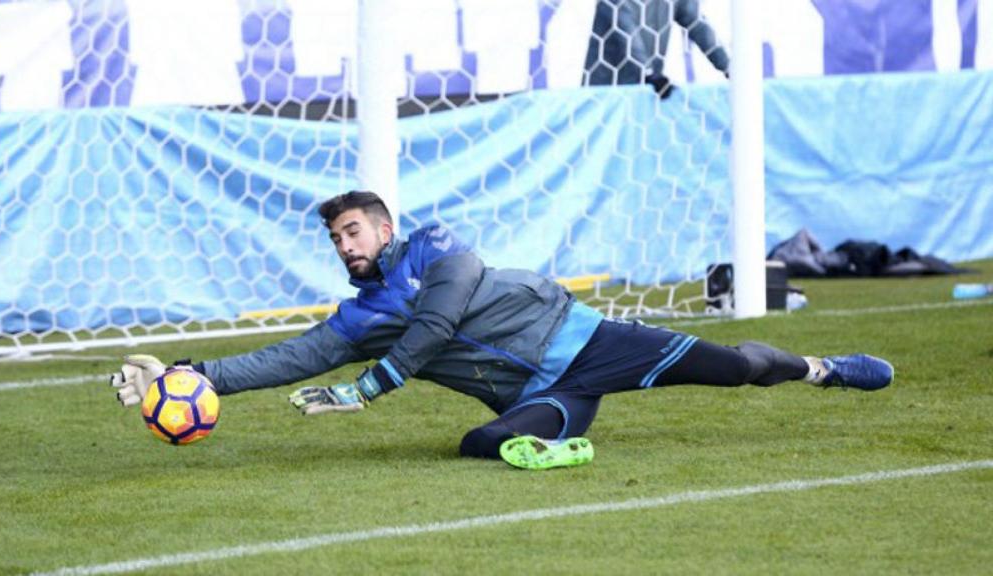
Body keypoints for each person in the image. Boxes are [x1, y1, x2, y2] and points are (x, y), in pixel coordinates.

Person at [110, 191, 894, 470]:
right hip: (547, 390)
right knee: (479, 447)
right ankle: (563, 443)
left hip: (589, 341)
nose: (345, 246)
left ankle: (821, 368)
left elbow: (440, 318)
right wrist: (188, 372)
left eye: (353, 232)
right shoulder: (360, 317)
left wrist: (369, 389)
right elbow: (296, 355)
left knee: (736, 366)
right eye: (335, 239)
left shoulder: (438, 247)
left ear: (384, 228)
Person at [584, 0, 731, 97]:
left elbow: (698, 25)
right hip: (607, 89)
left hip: (649, 88)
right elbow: (625, 28)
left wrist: (729, 67)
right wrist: (648, 72)